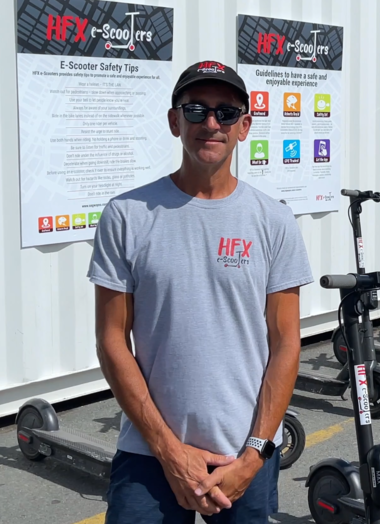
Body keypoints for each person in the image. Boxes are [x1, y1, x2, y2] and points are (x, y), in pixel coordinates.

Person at [87, 60, 313, 523]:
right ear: (175, 121)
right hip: (150, 453)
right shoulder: (127, 215)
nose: (211, 124)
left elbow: (286, 342)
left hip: (242, 453)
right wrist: (169, 451)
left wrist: (254, 454)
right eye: (196, 110)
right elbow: (112, 342)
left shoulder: (273, 221)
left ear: (244, 126)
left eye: (226, 113)